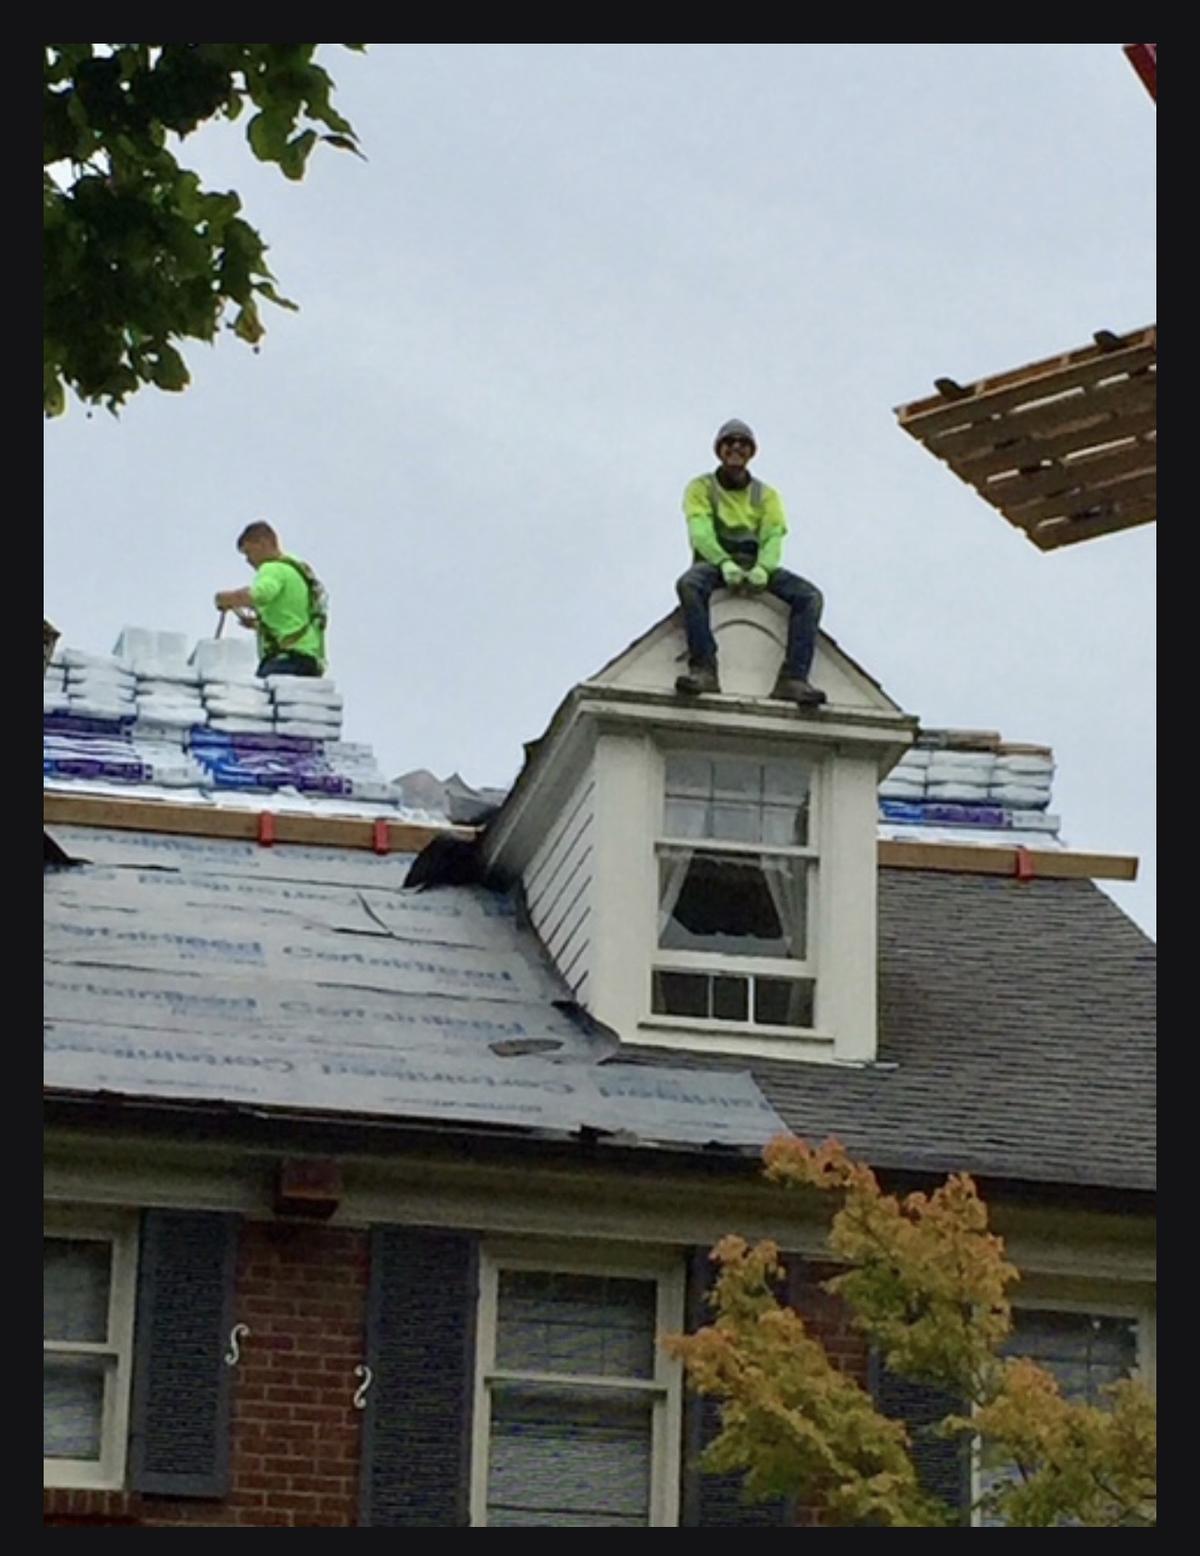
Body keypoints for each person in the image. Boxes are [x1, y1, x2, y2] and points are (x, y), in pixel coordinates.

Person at [675, 419, 826, 705]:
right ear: (719, 450)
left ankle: (794, 678)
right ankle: (704, 669)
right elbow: (700, 530)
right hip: (715, 563)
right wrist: (723, 562)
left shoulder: (765, 495)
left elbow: (773, 535)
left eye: (742, 443)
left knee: (809, 597)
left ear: (751, 452)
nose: (736, 448)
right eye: (729, 442)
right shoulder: (701, 487)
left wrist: (763, 569)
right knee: (690, 585)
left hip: (755, 563)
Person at [214, 522, 327, 677]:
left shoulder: (271, 568)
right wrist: (258, 624)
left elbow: (260, 595)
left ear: (262, 543)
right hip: (309, 660)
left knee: (257, 697)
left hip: (286, 660)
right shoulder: (295, 569)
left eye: (248, 552)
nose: (248, 560)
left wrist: (227, 598)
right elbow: (292, 616)